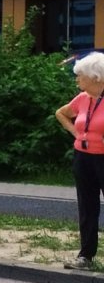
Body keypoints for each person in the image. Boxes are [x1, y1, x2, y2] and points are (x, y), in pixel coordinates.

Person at [55, 50, 104, 271]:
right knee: (87, 207)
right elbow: (61, 113)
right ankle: (86, 256)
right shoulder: (82, 99)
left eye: (80, 75)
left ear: (95, 77)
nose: (77, 80)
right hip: (83, 158)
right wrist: (77, 134)